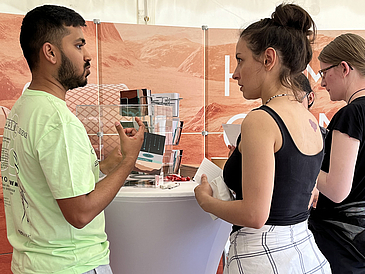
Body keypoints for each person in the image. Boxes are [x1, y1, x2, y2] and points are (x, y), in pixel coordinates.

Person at [0, 5, 145, 274]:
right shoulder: (58, 121)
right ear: (50, 52)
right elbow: (80, 213)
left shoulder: (25, 107)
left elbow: (55, 182)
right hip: (72, 265)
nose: (88, 55)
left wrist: (113, 161)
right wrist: (129, 162)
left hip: (34, 264)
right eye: (78, 45)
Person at [194, 3, 331, 273]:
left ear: (268, 59)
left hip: (264, 258)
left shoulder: (261, 119)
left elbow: (255, 216)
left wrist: (205, 201)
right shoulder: (309, 119)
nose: (235, 73)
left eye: (241, 59)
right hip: (304, 252)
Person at [308, 33, 365, 274]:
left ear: (344, 68)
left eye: (323, 73)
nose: (321, 83)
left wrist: (303, 165)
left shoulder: (351, 115)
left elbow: (337, 190)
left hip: (341, 245)